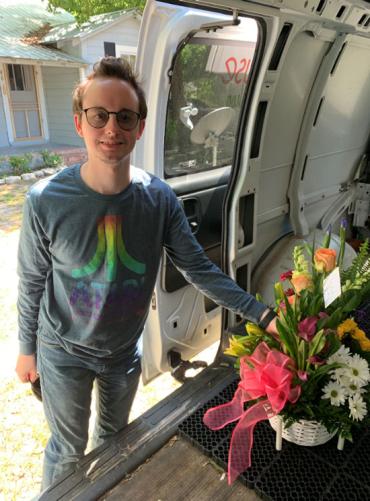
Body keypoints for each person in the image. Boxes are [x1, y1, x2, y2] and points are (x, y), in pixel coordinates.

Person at [15, 57, 277, 491]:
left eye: (124, 117)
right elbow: (31, 282)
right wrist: (27, 350)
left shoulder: (159, 200)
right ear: (80, 123)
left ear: (139, 127)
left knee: (114, 443)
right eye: (98, 115)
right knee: (67, 448)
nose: (111, 128)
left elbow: (197, 269)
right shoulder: (46, 200)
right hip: (62, 350)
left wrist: (260, 314)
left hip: (123, 353)